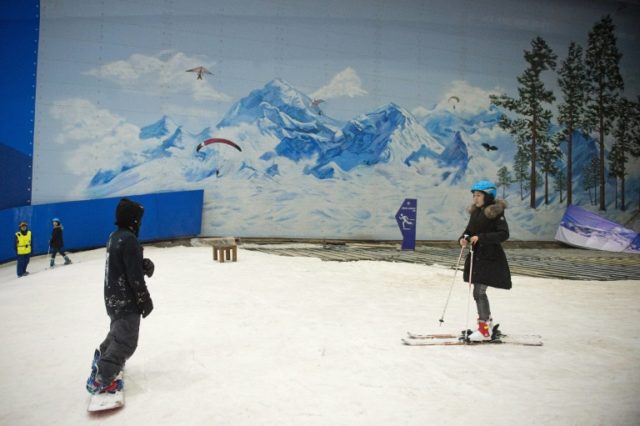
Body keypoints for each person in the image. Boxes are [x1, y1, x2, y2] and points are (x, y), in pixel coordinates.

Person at [86, 198, 155, 394]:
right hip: (126, 298)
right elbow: (133, 277)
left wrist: (143, 264)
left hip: (112, 296)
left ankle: (102, 358)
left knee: (117, 332)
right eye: (139, 219)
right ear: (133, 220)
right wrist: (144, 299)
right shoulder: (129, 239)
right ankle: (103, 378)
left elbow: (124, 264)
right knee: (126, 340)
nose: (140, 223)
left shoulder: (115, 236)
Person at [459, 180, 512, 342]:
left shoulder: (495, 213)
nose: (475, 199)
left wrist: (481, 237)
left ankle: (484, 330)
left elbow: (503, 234)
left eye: (478, 195)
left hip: (490, 258)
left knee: (479, 292)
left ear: (488, 196)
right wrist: (463, 238)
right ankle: (486, 324)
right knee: (477, 292)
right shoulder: (476, 213)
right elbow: (469, 231)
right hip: (477, 257)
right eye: (474, 195)